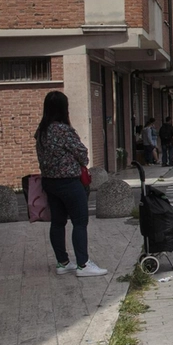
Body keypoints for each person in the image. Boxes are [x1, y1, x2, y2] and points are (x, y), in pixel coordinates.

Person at [35, 90, 108, 277]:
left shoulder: (41, 132)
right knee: (80, 221)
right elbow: (82, 154)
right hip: (69, 182)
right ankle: (83, 264)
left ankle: (63, 262)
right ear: (64, 109)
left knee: (58, 223)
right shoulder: (63, 130)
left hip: (49, 183)